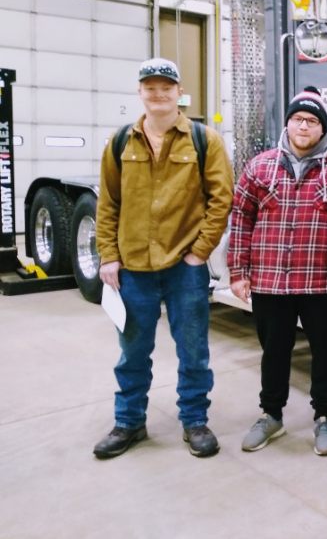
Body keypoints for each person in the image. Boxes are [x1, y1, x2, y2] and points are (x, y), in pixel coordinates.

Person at [93, 57, 233, 459]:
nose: (158, 94)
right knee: (133, 351)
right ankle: (129, 422)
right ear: (140, 92)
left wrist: (199, 252)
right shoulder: (120, 142)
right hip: (133, 268)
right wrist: (109, 256)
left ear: (179, 92)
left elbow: (221, 200)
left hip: (182, 268)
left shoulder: (204, 141)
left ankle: (194, 420)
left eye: (166, 87)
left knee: (193, 350)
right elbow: (109, 204)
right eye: (150, 87)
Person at [228, 87, 327, 456]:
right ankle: (271, 415)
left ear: (323, 128)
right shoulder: (261, 166)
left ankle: (323, 418)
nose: (304, 126)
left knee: (325, 351)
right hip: (271, 280)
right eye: (298, 119)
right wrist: (238, 272)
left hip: (321, 283)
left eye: (313, 120)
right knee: (274, 350)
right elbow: (241, 217)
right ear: (288, 123)